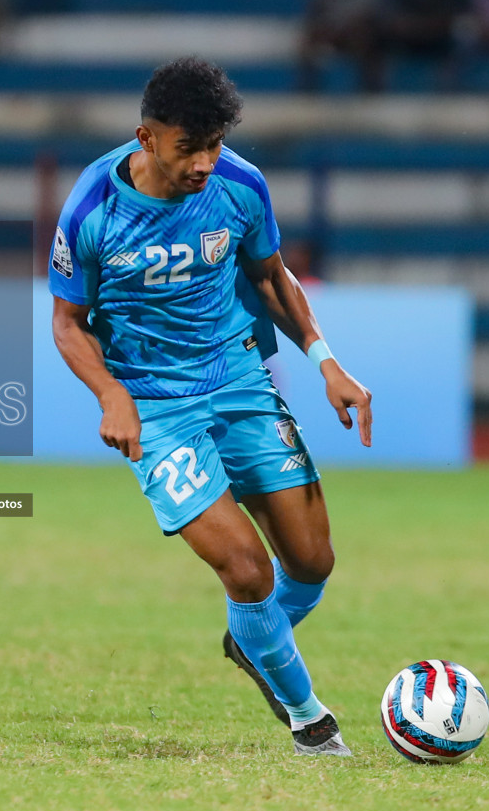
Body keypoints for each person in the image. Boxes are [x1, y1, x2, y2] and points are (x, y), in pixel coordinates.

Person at [49, 57, 372, 757]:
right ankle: (310, 721)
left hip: (240, 381)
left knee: (312, 563)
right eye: (188, 147)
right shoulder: (91, 209)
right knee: (248, 571)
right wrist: (112, 395)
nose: (203, 163)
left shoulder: (239, 186)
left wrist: (326, 362)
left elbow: (271, 277)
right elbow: (67, 322)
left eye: (214, 144)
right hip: (157, 410)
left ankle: (251, 639)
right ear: (148, 137)